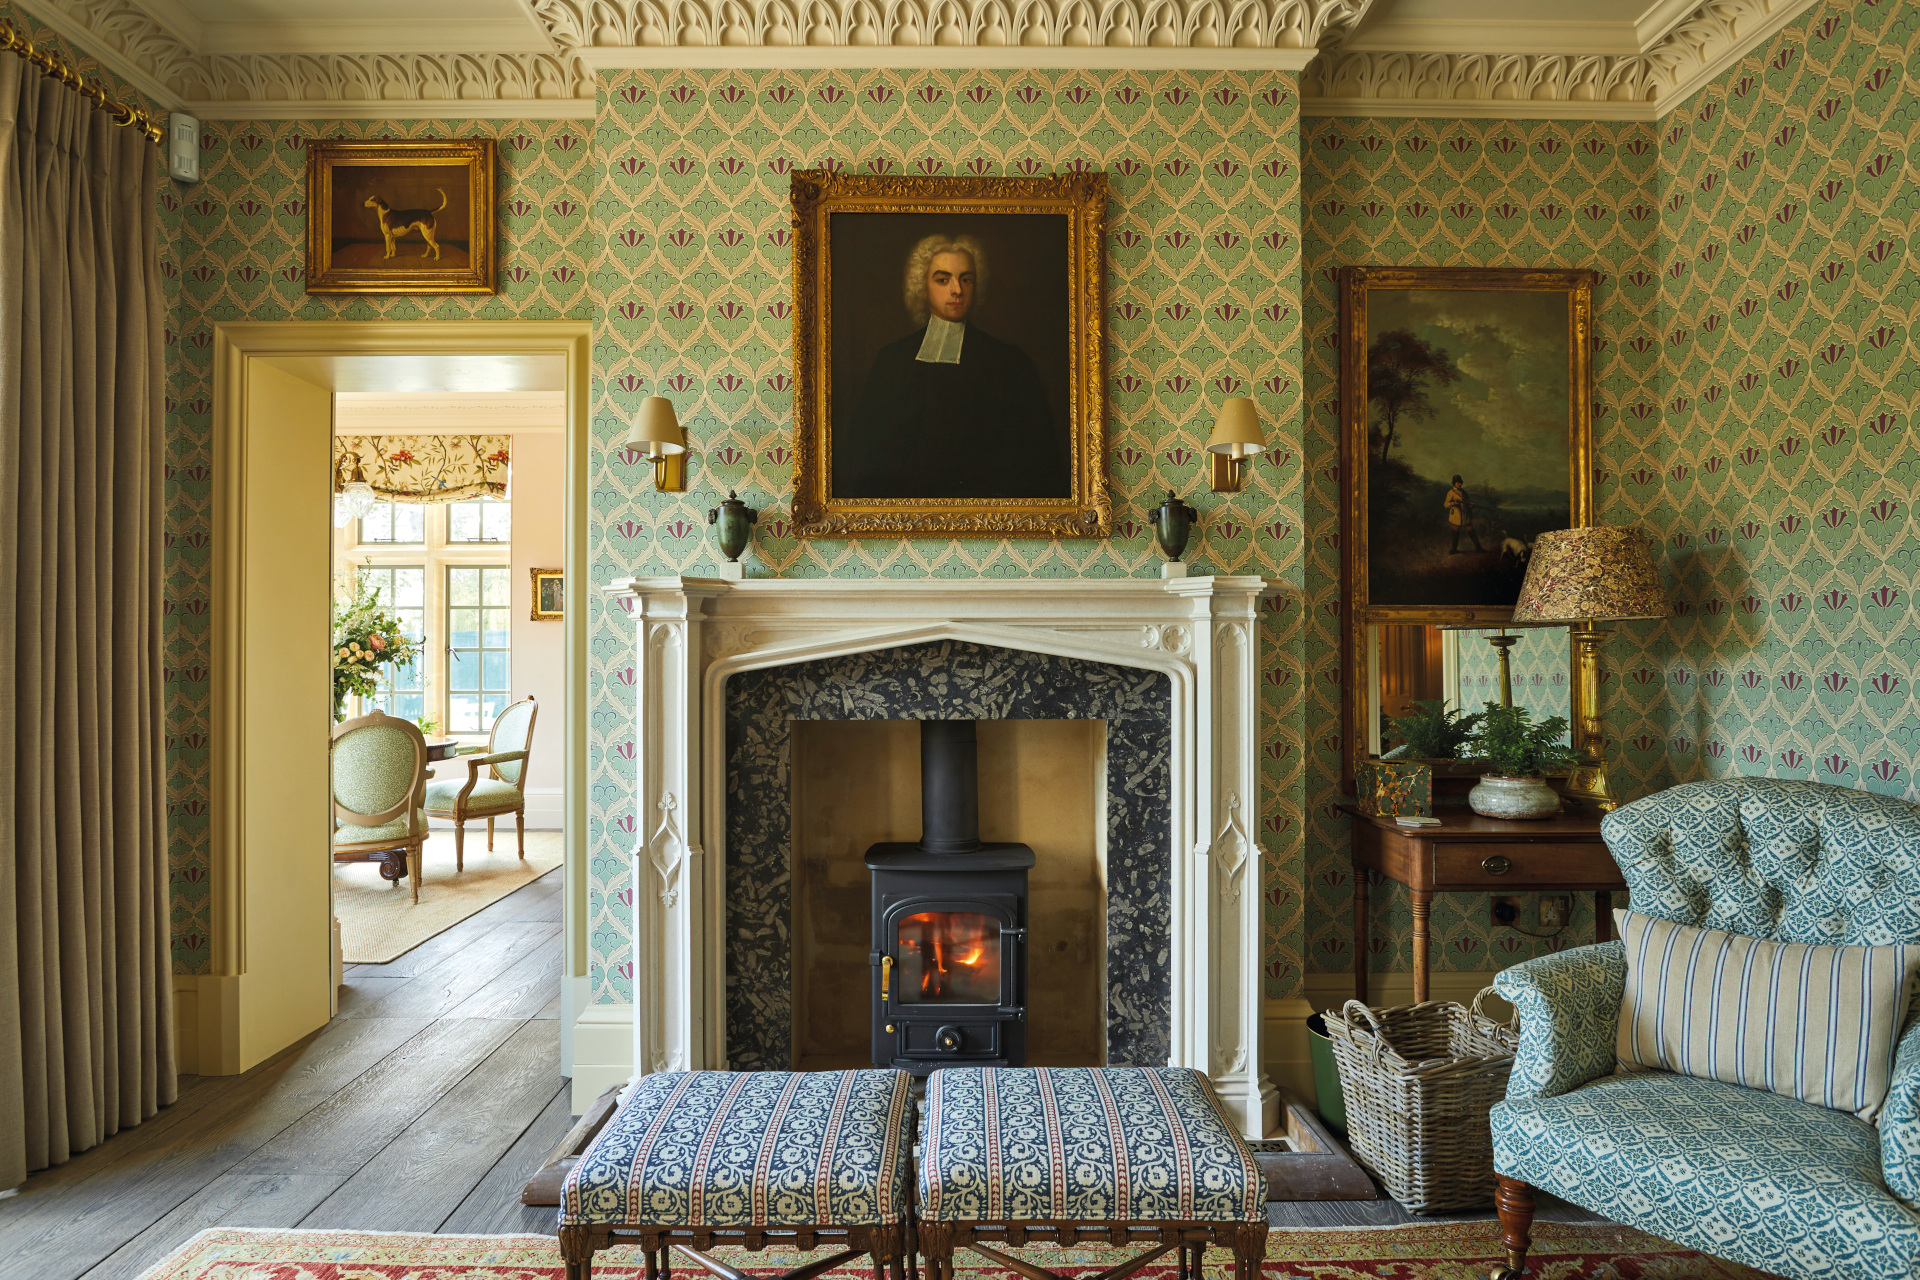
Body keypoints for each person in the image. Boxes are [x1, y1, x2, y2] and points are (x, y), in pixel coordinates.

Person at [835, 234, 1069, 500]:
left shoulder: (1009, 363)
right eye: (943, 280)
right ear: (921, 285)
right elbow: (864, 463)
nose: (957, 290)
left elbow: (1035, 465)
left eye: (966, 279)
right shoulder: (892, 361)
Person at [1446, 475, 1484, 553]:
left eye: (1460, 483)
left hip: (1465, 514)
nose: (1459, 484)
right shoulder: (1451, 492)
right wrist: (1454, 503)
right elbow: (1446, 504)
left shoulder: (1463, 492)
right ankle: (1454, 549)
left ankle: (1478, 548)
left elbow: (1468, 501)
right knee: (1456, 529)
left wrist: (1473, 504)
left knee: (1470, 528)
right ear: (1454, 483)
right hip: (1456, 514)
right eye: (1458, 483)